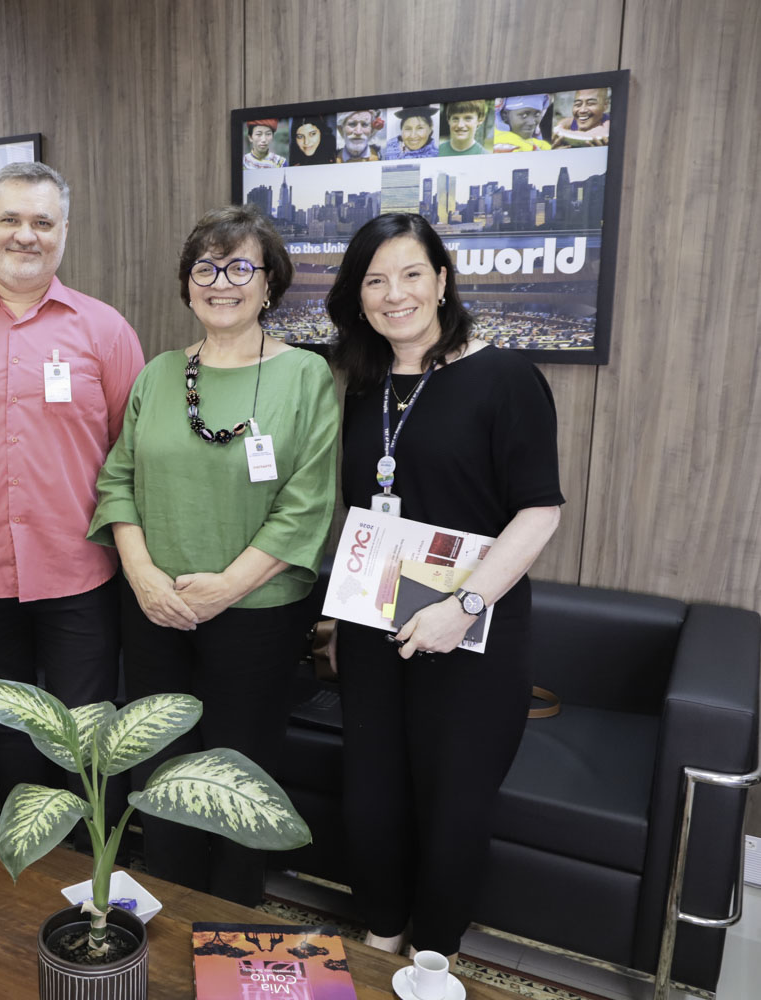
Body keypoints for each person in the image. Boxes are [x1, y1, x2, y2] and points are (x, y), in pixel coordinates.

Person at [324, 213, 563, 966]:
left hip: (471, 634)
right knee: (372, 795)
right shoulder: (363, 385)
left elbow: (539, 510)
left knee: (454, 804)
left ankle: (433, 955)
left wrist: (463, 608)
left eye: (410, 274)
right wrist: (341, 621)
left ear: (442, 279)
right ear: (358, 295)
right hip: (375, 631)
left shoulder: (505, 377)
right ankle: (381, 932)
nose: (394, 294)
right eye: (374, 280)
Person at [88, 204, 338, 903]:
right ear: (187, 283)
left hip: (257, 613)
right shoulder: (160, 373)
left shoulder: (305, 377)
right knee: (160, 772)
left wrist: (227, 586)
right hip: (154, 609)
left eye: (239, 267)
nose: (220, 281)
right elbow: (117, 482)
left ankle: (229, 924)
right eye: (205, 267)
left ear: (269, 284)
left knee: (237, 777)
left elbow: (308, 502)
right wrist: (139, 574)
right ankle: (166, 917)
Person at [0, 161, 144, 810]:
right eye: (10, 219)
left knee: (87, 739)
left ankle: (92, 876)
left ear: (63, 232)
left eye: (42, 222)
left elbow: (129, 450)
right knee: (6, 735)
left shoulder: (105, 331)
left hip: (80, 572)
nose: (25, 235)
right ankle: (23, 873)